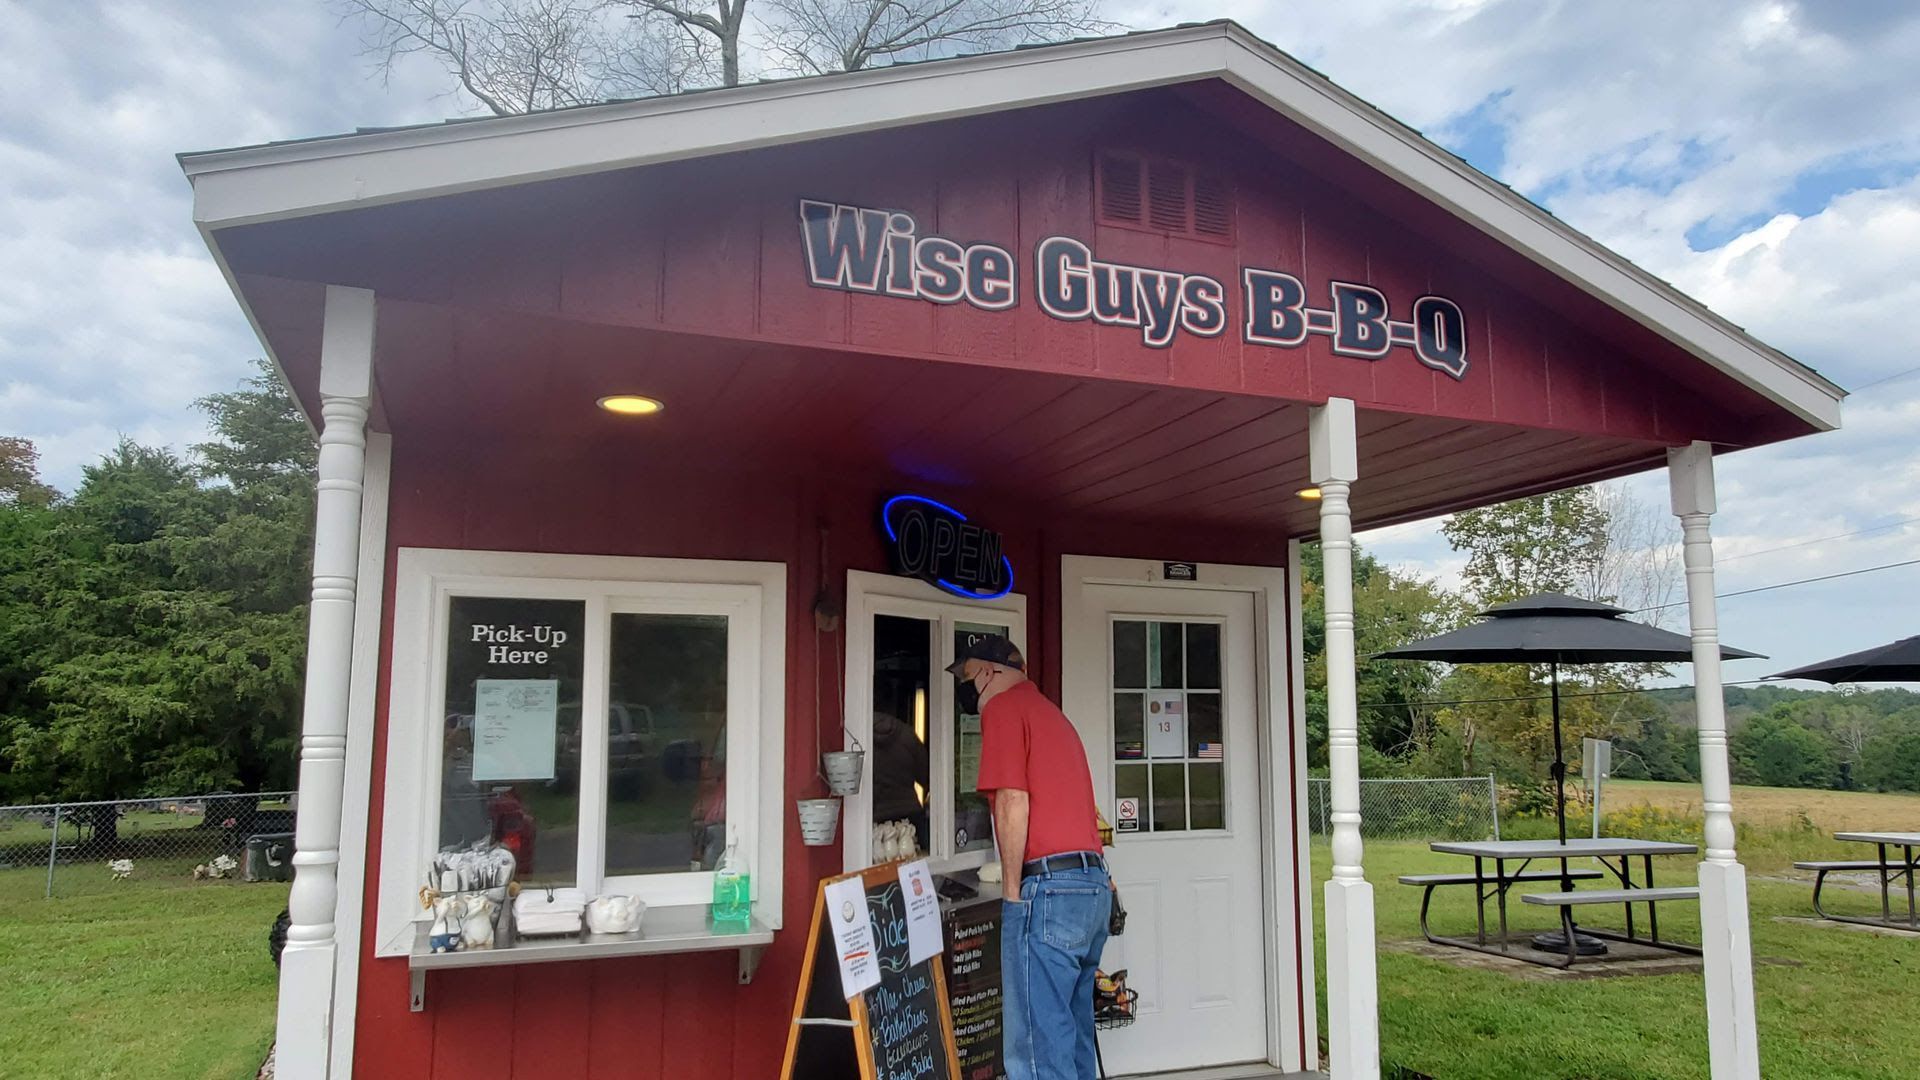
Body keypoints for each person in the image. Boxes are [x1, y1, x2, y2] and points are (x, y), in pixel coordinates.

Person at [952, 636, 1110, 1080]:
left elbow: (1011, 801)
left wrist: (1011, 894)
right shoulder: (1055, 717)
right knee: (1073, 1035)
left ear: (988, 672)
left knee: (1037, 1048)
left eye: (967, 678)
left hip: (1048, 891)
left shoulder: (1003, 708)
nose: (968, 691)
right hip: (1091, 886)